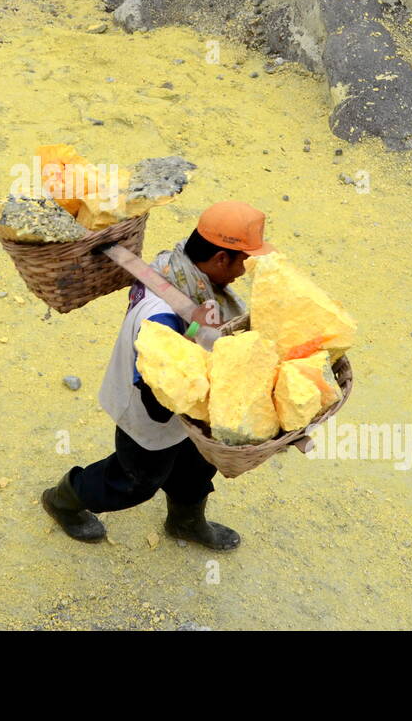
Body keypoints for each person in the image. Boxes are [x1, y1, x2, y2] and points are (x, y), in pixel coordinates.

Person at [41, 201, 275, 550]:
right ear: (222, 258)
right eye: (244, 260)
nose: (246, 269)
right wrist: (200, 340)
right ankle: (64, 499)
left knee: (196, 468)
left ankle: (185, 521)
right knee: (133, 482)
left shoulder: (182, 270)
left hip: (194, 412)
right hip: (150, 409)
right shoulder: (160, 316)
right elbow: (157, 401)